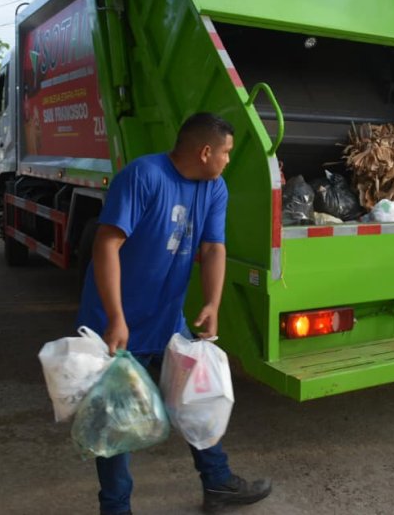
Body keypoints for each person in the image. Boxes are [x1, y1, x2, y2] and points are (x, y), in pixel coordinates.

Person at [77, 112, 272, 514]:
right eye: (226, 152)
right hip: (115, 326)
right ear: (205, 151)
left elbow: (214, 248)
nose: (228, 160)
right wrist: (115, 317)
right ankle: (115, 509)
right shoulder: (143, 176)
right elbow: (106, 245)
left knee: (196, 398)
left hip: (168, 320)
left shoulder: (214, 187)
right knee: (117, 420)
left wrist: (213, 303)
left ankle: (217, 483)